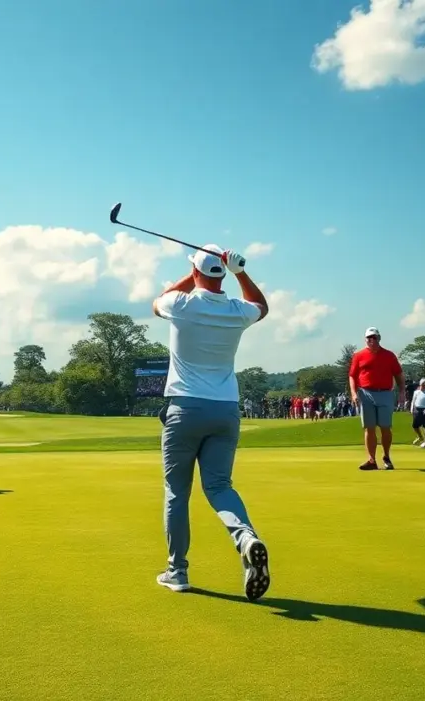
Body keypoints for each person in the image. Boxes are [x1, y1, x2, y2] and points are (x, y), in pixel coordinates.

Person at [150, 244, 271, 601]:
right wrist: (239, 272)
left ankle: (177, 571)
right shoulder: (236, 309)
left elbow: (158, 302)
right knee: (219, 486)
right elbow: (261, 306)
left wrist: (195, 270)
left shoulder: (181, 304)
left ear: (195, 273)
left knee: (177, 492)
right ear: (223, 275)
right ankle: (245, 537)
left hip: (185, 409)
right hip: (225, 410)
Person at [348, 327, 405, 470]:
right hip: (365, 393)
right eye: (369, 338)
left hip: (385, 393)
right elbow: (352, 376)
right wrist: (353, 393)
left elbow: (398, 374)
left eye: (374, 337)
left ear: (379, 338)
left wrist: (402, 391)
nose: (371, 340)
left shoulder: (389, 355)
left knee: (385, 427)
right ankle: (371, 460)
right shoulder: (359, 355)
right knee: (369, 427)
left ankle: (386, 456)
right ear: (365, 339)